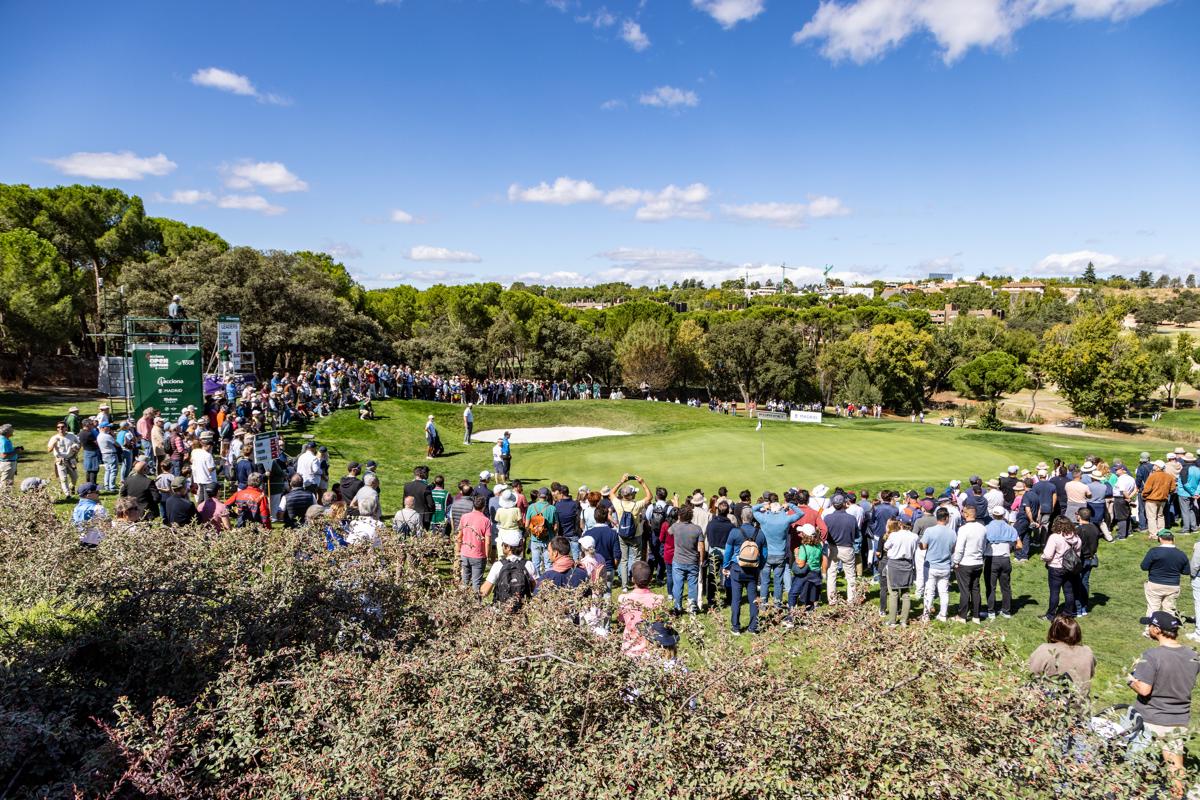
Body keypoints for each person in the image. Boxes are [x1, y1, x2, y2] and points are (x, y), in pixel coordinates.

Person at [1128, 611, 1200, 798]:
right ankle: (1178, 795)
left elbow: (1144, 690)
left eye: (1150, 625)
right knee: (1176, 768)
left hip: (1150, 719)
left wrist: (1130, 680)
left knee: (1138, 766)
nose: (1148, 628)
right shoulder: (1193, 655)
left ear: (1157, 630)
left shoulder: (1152, 655)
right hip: (1178, 720)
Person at [752, 495, 802, 606]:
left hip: (766, 555)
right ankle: (777, 604)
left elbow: (753, 509)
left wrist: (764, 505)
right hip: (780, 555)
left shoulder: (765, 518)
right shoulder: (785, 519)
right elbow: (800, 513)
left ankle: (763, 604)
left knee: (765, 581)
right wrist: (789, 505)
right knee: (778, 582)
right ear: (780, 509)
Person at [1027, 615, 1096, 694]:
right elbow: (1091, 674)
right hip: (1080, 703)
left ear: (1053, 631)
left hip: (1052, 703)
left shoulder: (1045, 650)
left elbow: (1030, 675)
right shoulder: (1087, 652)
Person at [724, 509, 766, 635]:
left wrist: (726, 566)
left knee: (736, 599)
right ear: (752, 518)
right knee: (753, 598)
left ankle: (736, 627)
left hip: (737, 568)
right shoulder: (760, 533)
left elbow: (728, 552)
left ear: (741, 518)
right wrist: (759, 567)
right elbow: (764, 554)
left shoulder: (734, 532)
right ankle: (753, 627)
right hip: (753, 570)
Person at [611, 474, 651, 590]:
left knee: (624, 560)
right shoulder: (636, 505)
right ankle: (636, 582)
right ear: (631, 495)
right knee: (637, 559)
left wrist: (621, 481)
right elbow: (649, 497)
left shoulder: (618, 503)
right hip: (636, 534)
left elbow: (611, 493)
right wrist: (642, 483)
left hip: (622, 534)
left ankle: (624, 585)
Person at [615, 561, 664, 657]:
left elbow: (620, 620)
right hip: (650, 649)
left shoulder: (624, 599)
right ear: (650, 579)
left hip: (629, 648)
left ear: (632, 579)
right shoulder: (658, 600)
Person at [1142, 529, 1190, 624]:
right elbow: (1186, 571)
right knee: (1169, 610)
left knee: (1153, 609)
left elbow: (1144, 567)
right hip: (1173, 586)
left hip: (1155, 585)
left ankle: (1150, 632)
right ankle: (1168, 630)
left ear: (1159, 539)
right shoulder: (1181, 554)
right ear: (1173, 539)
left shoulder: (1154, 552)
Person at [1041, 517, 1083, 620]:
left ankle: (1050, 615)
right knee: (1069, 592)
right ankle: (1068, 614)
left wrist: (1042, 557)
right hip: (1070, 568)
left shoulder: (1054, 537)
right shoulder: (1076, 537)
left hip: (1056, 567)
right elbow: (1078, 554)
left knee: (1054, 592)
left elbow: (1048, 555)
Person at [480, 528, 534, 608]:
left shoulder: (498, 565)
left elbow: (485, 591)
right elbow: (536, 589)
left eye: (502, 544)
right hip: (522, 610)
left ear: (508, 547)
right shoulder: (528, 564)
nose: (501, 546)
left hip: (502, 610)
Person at [983, 505, 1019, 619]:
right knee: (1006, 586)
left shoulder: (987, 528)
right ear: (1003, 515)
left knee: (991, 586)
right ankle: (1006, 611)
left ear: (993, 515)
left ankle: (991, 611)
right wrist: (1010, 547)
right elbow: (1019, 545)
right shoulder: (1011, 528)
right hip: (1005, 559)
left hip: (991, 559)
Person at [953, 505, 987, 623]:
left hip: (965, 563)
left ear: (966, 514)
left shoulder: (963, 529)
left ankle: (962, 616)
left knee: (965, 590)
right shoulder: (982, 528)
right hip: (978, 562)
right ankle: (976, 616)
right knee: (975, 589)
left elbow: (959, 548)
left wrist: (955, 561)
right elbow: (984, 545)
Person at [668, 504, 705, 614]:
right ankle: (692, 607)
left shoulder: (675, 527)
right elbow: (701, 547)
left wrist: (678, 520)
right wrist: (701, 560)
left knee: (678, 585)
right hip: (692, 560)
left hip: (678, 560)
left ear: (680, 516)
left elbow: (669, 532)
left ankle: (677, 607)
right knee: (692, 584)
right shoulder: (697, 529)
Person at [883, 518, 919, 626]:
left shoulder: (894, 535)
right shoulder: (914, 536)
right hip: (907, 564)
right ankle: (904, 620)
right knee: (906, 593)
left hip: (894, 564)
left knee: (893, 593)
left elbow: (886, 547)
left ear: (900, 524)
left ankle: (892, 620)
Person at [825, 493, 859, 604]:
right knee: (850, 575)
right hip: (847, 548)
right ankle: (851, 599)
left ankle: (832, 599)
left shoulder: (828, 518)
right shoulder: (851, 519)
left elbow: (825, 535)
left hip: (833, 547)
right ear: (844, 503)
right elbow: (857, 535)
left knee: (831, 573)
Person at [525, 487, 558, 578]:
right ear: (547, 496)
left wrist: (533, 532)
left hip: (535, 540)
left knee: (535, 564)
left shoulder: (531, 507)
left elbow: (526, 525)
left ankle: (536, 584)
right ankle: (548, 583)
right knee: (548, 564)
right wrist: (553, 534)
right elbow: (556, 527)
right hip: (548, 540)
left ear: (539, 495)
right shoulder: (552, 508)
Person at [119, 456, 160, 520]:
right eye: (148, 467)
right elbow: (157, 498)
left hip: (131, 510)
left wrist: (128, 503)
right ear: (145, 470)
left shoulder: (128, 480)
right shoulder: (149, 482)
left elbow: (122, 494)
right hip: (146, 511)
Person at [47, 421, 80, 497]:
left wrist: (76, 449)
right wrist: (54, 444)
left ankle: (72, 486)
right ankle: (67, 494)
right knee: (63, 478)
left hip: (71, 459)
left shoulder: (71, 435)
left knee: (75, 477)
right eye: (58, 427)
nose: (60, 429)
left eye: (62, 427)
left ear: (66, 428)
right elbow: (48, 450)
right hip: (60, 460)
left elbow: (78, 443)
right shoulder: (54, 438)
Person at [1143, 460, 1174, 538]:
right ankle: (1161, 531)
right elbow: (1172, 489)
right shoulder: (1169, 476)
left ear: (1158, 467)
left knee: (1151, 517)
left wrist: (1144, 495)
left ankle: (1153, 534)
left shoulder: (1153, 476)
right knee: (1160, 516)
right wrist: (1166, 493)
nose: (1153, 466)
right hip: (1163, 499)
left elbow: (1147, 489)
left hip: (1152, 499)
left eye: (1155, 465)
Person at [96, 422, 119, 493]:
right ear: (103, 428)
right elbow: (117, 444)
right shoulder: (107, 436)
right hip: (111, 453)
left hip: (104, 454)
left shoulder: (99, 435)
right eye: (107, 427)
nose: (109, 428)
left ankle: (106, 485)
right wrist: (114, 437)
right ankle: (112, 486)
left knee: (107, 470)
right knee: (113, 470)